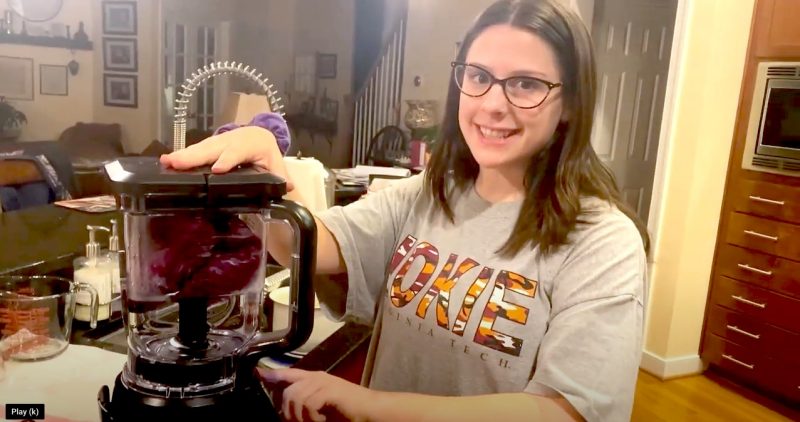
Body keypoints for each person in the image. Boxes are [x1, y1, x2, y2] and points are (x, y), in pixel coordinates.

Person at [160, 0, 649, 420]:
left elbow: (558, 412)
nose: (492, 104)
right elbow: (308, 247)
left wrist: (366, 404)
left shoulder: (602, 241)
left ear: (569, 104)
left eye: (524, 84)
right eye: (478, 76)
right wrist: (262, 170)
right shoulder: (426, 193)